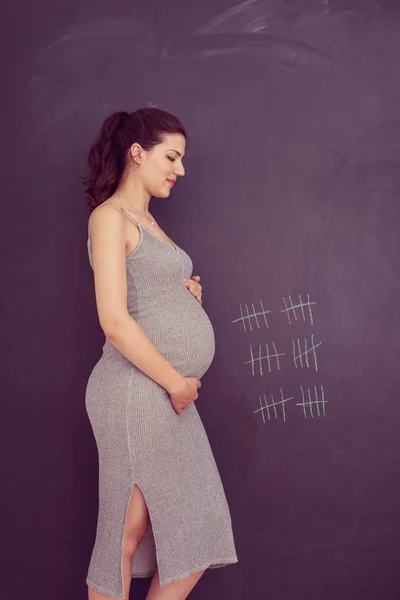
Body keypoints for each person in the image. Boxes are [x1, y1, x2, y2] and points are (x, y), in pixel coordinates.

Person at [83, 107, 238, 600]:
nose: (181, 169)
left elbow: (145, 296)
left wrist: (183, 294)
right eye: (172, 156)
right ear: (137, 152)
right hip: (136, 391)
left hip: (166, 394)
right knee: (124, 536)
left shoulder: (149, 221)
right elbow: (114, 318)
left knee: (197, 524)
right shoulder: (109, 217)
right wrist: (176, 382)